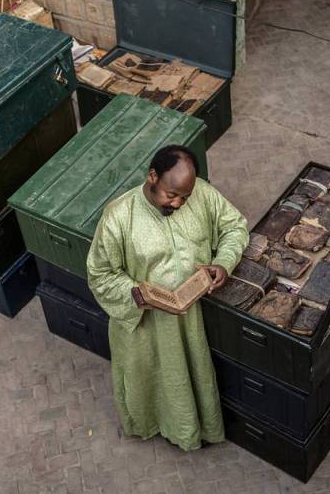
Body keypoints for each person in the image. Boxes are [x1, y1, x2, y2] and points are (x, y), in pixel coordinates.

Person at [86, 145, 249, 452]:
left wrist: (223, 262)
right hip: (145, 324)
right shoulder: (119, 216)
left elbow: (234, 227)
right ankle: (152, 425)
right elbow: (100, 273)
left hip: (194, 315)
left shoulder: (200, 193)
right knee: (155, 379)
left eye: (185, 197)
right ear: (152, 177)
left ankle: (197, 429)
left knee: (193, 374)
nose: (177, 203)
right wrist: (135, 293)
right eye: (171, 195)